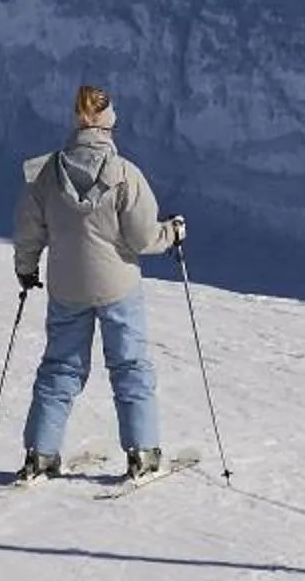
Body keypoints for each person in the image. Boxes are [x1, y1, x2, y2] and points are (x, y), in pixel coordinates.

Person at [11, 84, 185, 482]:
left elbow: (28, 229)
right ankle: (142, 451)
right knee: (129, 365)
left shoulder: (48, 172)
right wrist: (171, 233)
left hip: (66, 285)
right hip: (117, 286)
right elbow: (142, 237)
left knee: (60, 367)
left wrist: (26, 268)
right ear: (109, 123)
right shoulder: (125, 174)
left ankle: (40, 454)